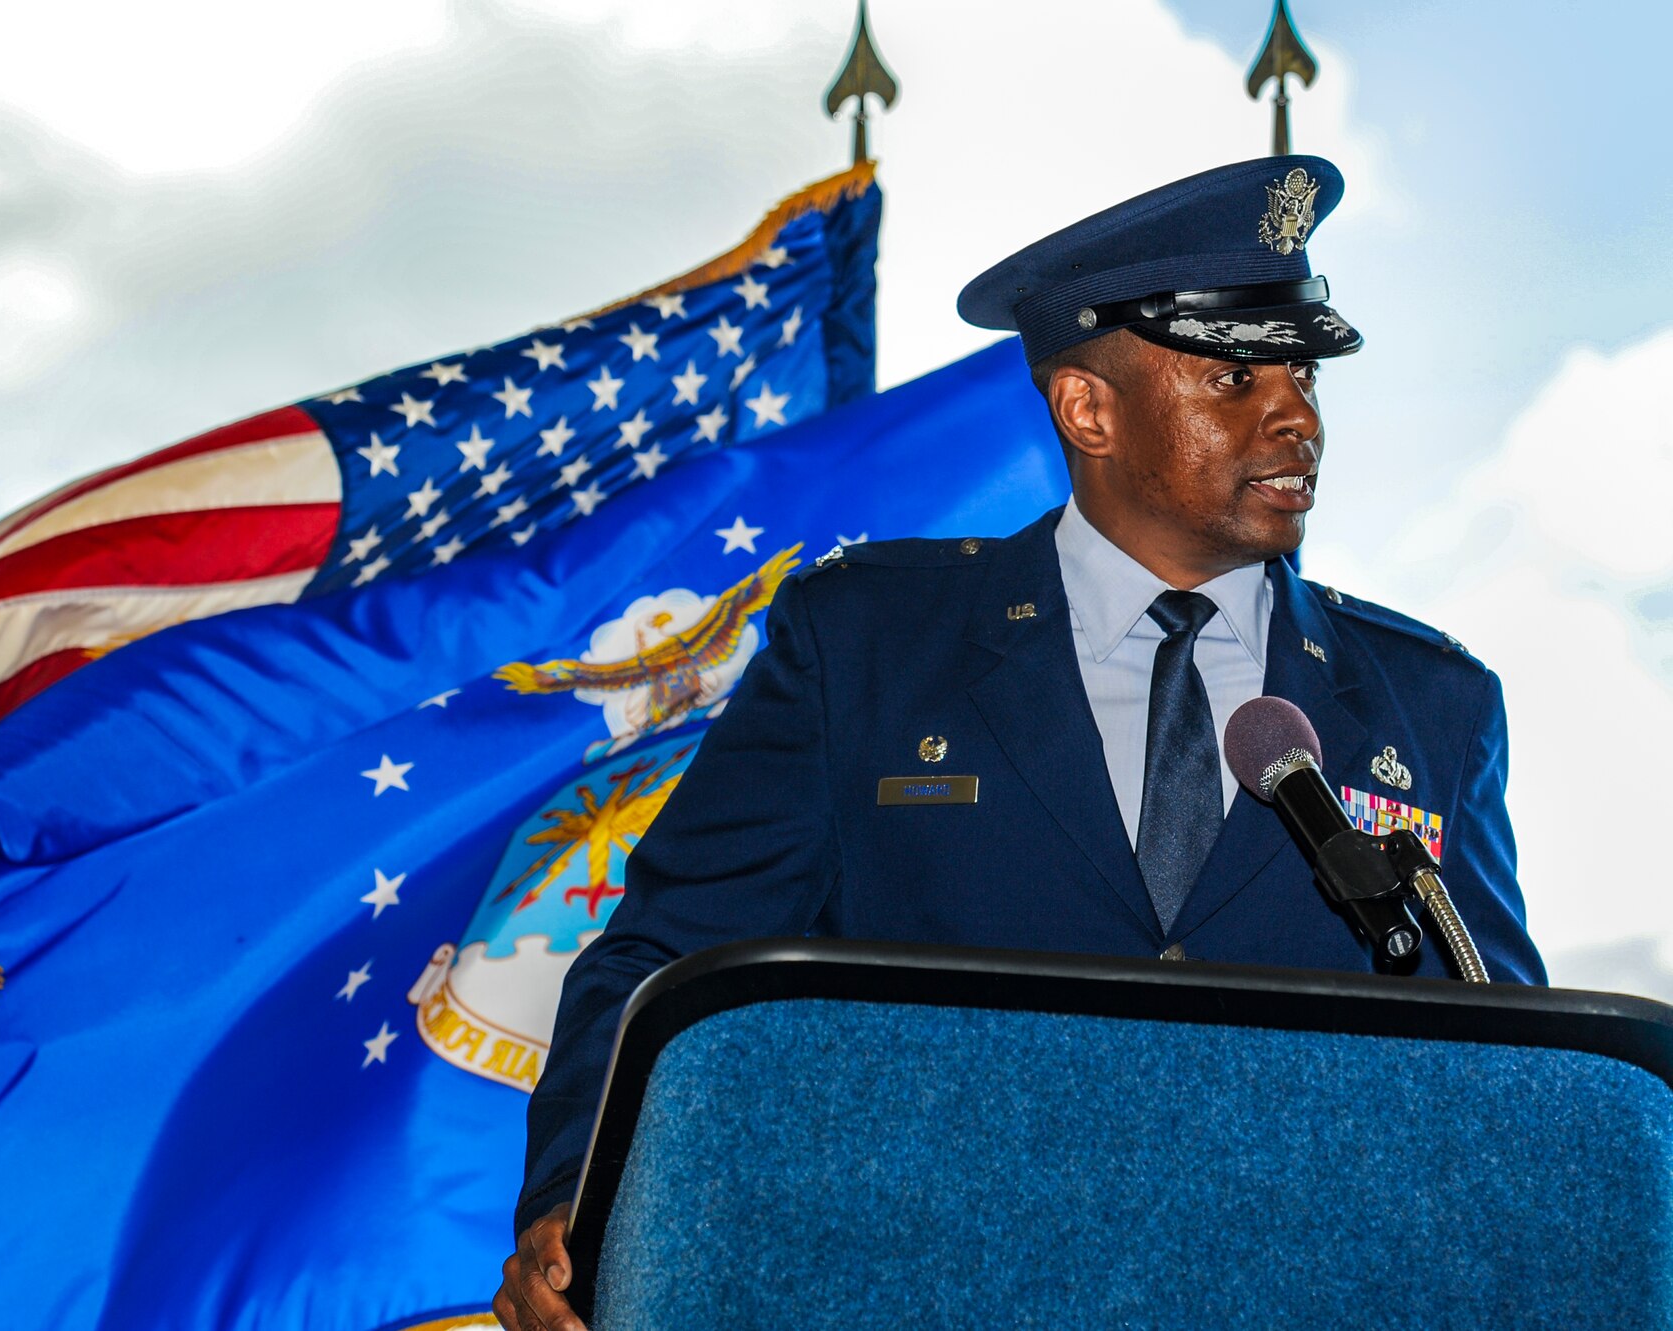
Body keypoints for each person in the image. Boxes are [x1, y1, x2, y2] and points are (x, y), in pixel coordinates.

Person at [492, 155, 1545, 1331]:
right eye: (1232, 375)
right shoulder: (868, 645)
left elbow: (1508, 1049)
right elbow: (664, 963)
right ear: (1087, 410)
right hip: (921, 1286)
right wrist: (575, 1209)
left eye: (1298, 370)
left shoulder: (1428, 700)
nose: (1292, 412)